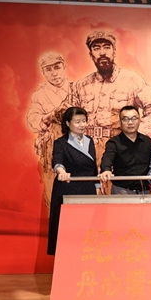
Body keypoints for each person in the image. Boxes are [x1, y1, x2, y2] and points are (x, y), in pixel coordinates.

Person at [72, 30, 151, 161]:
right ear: (90, 54)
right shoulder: (81, 85)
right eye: (96, 48)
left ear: (114, 51)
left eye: (107, 47)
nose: (102, 52)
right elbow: (67, 115)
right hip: (87, 148)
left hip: (120, 148)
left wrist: (138, 137)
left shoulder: (131, 79)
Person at [48, 107, 99, 255]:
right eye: (77, 122)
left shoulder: (89, 141)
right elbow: (57, 161)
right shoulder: (61, 143)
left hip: (88, 188)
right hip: (68, 188)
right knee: (68, 228)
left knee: (87, 228)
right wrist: (61, 172)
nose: (82, 125)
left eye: (84, 121)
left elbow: (93, 166)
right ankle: (66, 259)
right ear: (68, 123)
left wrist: (97, 184)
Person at [26, 52, 73, 207]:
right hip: (52, 148)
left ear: (64, 68)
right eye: (49, 69)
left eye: (57, 67)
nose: (54, 73)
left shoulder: (76, 89)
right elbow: (33, 121)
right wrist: (50, 116)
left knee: (78, 194)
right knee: (54, 197)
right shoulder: (39, 95)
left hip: (76, 147)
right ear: (43, 73)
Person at [99, 106, 151, 194]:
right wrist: (106, 170)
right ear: (120, 122)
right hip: (121, 191)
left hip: (144, 191)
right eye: (126, 119)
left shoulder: (147, 141)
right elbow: (107, 158)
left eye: (134, 118)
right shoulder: (114, 142)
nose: (130, 122)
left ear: (139, 120)